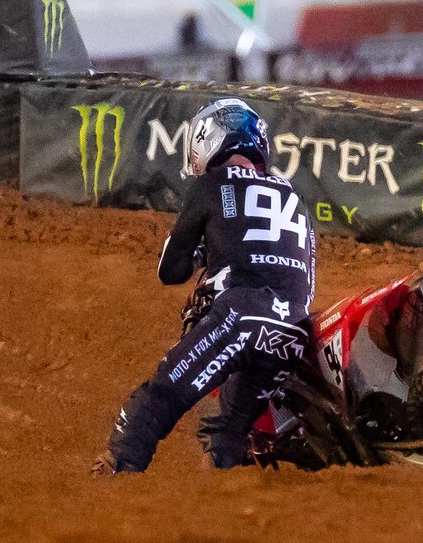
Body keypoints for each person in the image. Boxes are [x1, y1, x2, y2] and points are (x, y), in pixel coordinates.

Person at [92, 98, 314, 474]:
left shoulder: (211, 185)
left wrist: (200, 254)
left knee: (162, 394)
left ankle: (116, 469)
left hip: (240, 319)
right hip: (293, 332)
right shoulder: (296, 199)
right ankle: (221, 501)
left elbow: (170, 270)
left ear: (209, 142)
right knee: (227, 430)